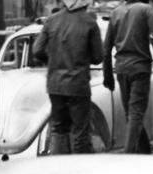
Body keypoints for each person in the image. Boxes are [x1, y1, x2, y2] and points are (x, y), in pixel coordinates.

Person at [32, 0, 104, 154]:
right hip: (78, 85)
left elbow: (37, 50)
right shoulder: (89, 22)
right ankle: (78, 172)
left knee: (58, 129)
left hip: (55, 85)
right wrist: (83, 56)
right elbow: (98, 56)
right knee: (80, 133)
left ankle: (59, 170)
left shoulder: (52, 20)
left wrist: (52, 60)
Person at [103, 0, 153, 153]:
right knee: (135, 114)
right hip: (139, 68)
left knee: (132, 115)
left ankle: (145, 152)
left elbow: (106, 47)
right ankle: (129, 155)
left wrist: (107, 75)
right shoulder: (145, 9)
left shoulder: (116, 12)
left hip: (121, 69)